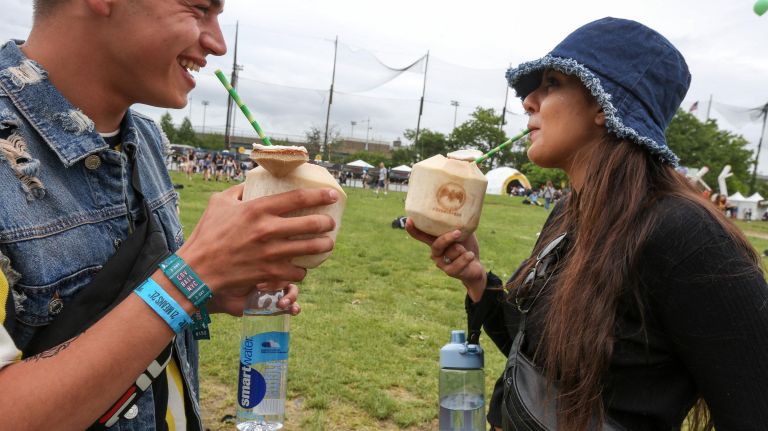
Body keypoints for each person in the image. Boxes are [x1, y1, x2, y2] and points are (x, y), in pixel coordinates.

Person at [406, 17, 768, 431]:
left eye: (552, 84)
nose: (528, 101)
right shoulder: (570, 211)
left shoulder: (688, 236)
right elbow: (539, 363)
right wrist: (475, 279)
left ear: (603, 104)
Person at [0, 1, 340, 429]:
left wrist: (205, 294)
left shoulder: (146, 138)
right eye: (198, 9)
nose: (217, 44)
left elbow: (119, 310)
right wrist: (190, 276)